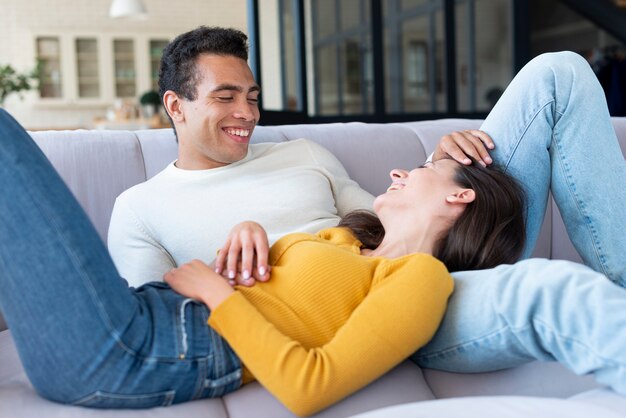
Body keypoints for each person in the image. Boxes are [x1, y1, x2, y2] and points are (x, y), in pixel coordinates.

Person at [107, 26, 626, 394]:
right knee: (550, 291)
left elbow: (385, 227)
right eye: (226, 97)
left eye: (252, 95)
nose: (247, 113)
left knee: (558, 72)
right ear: (176, 106)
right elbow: (159, 327)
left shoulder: (302, 154)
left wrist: (447, 164)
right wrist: (235, 246)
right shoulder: (139, 208)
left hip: (417, 271)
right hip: (369, 324)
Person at [0, 107, 528, 415]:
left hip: (139, 348)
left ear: (460, 198)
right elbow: (262, 284)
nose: (396, 174)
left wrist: (217, 294)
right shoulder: (347, 242)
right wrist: (248, 232)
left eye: (417, 168)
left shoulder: (421, 278)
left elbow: (309, 385)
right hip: (141, 317)